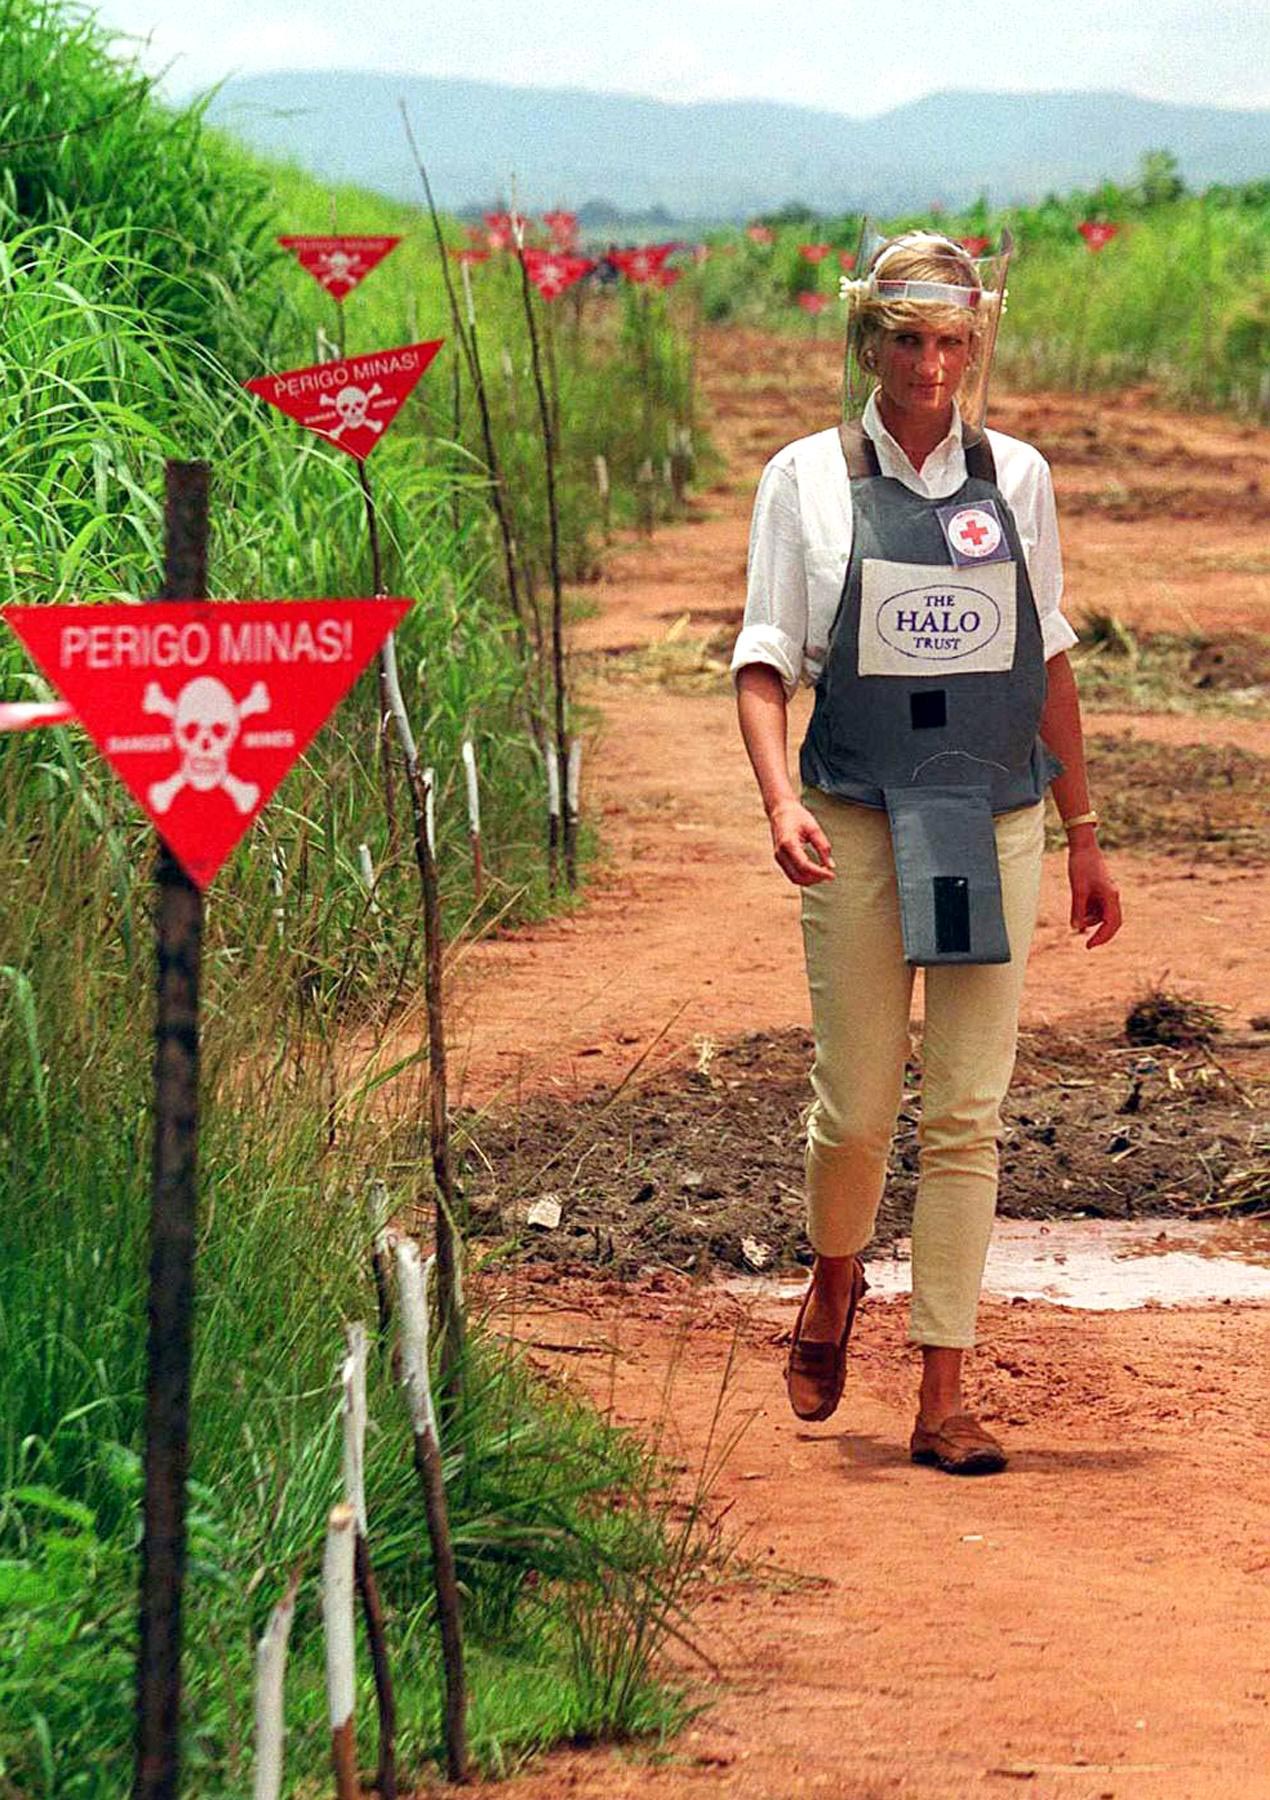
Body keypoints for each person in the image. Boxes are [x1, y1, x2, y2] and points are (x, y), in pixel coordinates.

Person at [733, 229, 1121, 1474]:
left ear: (976, 345)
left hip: (989, 819)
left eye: (953, 341)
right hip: (851, 816)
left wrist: (1082, 832)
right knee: (855, 1111)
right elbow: (762, 662)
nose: (931, 365)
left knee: (964, 1113)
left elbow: (1045, 658)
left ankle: (944, 1390)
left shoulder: (1018, 480)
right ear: (867, 341)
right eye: (907, 339)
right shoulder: (803, 478)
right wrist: (775, 799)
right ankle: (836, 1276)